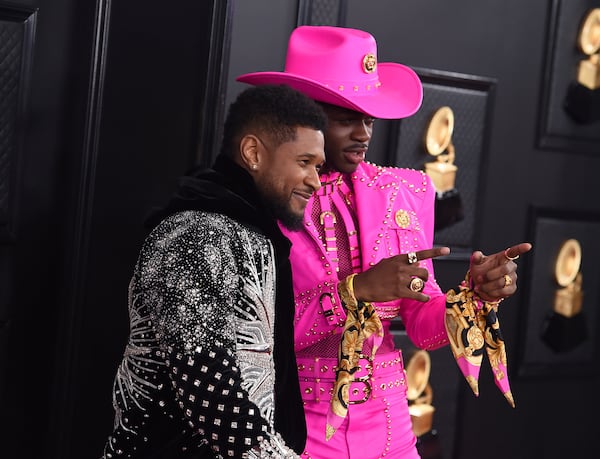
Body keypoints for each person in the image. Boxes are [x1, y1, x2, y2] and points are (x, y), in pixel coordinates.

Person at [237, 25, 533, 459]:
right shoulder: (256, 203)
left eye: (369, 117)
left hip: (392, 432)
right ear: (298, 117)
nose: (363, 133)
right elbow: (250, 337)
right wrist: (354, 293)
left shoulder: (404, 193)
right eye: (344, 119)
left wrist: (472, 298)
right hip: (296, 430)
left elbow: (421, 325)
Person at [101, 84, 327, 459]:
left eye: (318, 168)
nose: (315, 182)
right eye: (304, 163)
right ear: (253, 153)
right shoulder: (194, 236)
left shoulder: (251, 232)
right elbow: (209, 386)